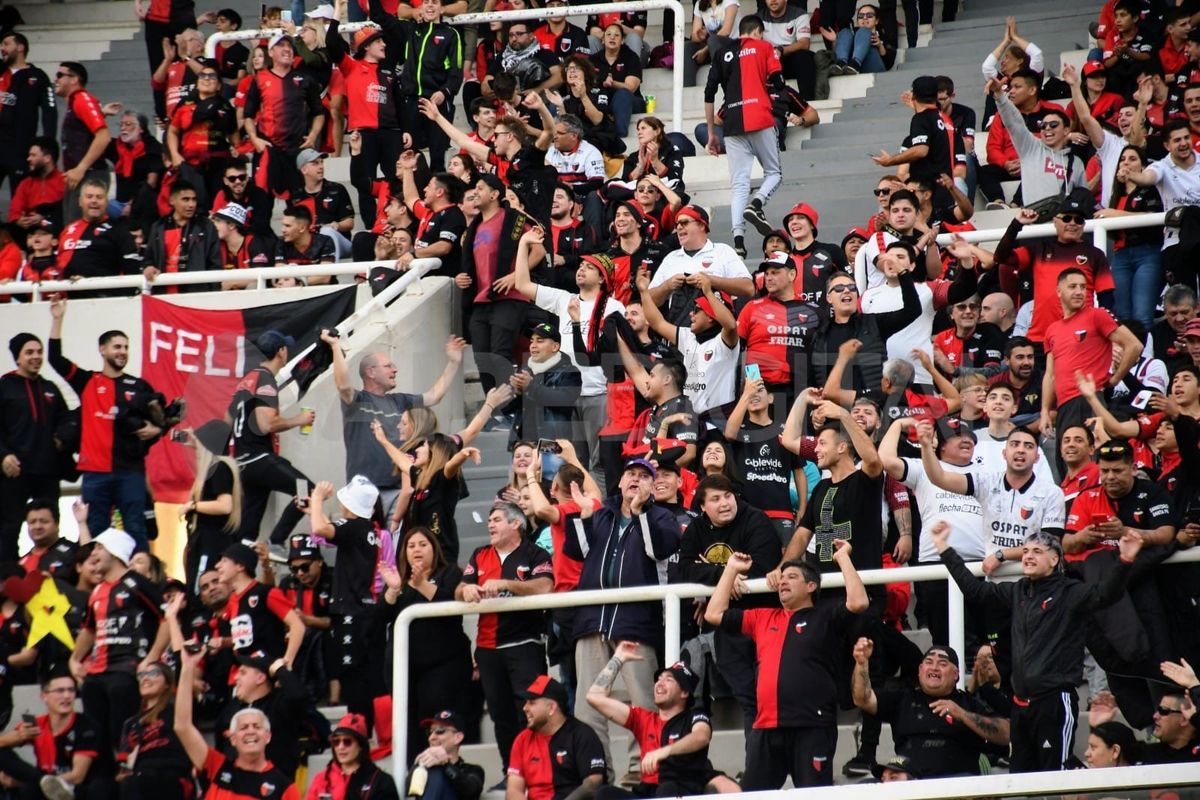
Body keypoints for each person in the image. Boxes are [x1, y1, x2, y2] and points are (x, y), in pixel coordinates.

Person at [929, 519, 1145, 772]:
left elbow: (1107, 593)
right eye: (1026, 551)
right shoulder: (1019, 591)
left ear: (1055, 560)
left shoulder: (1070, 592)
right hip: (1020, 706)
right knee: (1021, 782)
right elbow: (975, 590)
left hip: (1054, 703)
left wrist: (1125, 560)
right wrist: (944, 548)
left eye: (1037, 552)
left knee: (1054, 780)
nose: (1028, 556)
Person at [703, 542, 868, 788]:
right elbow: (713, 614)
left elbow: (858, 602)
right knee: (753, 795)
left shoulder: (825, 616)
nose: (782, 582)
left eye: (792, 577)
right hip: (766, 727)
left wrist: (842, 557)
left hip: (812, 724)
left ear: (811, 586)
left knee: (813, 795)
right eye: (781, 578)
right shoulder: (763, 616)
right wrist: (731, 569)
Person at [563, 458, 680, 781]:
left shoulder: (663, 517)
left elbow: (660, 549)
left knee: (642, 705)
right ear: (619, 481)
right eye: (630, 473)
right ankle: (596, 775)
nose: (636, 479)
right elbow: (576, 551)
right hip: (591, 622)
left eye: (645, 476)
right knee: (587, 708)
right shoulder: (601, 515)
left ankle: (638, 775)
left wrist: (641, 513)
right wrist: (584, 515)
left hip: (636, 623)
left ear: (653, 486)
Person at [48, 301, 167, 549]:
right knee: (96, 533)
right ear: (102, 350)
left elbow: (162, 421)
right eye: (117, 346)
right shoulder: (87, 381)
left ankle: (137, 583)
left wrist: (158, 430)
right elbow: (55, 359)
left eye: (126, 347)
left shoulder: (139, 386)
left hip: (131, 472)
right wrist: (57, 319)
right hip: (95, 472)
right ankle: (98, 586)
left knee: (136, 531)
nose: (122, 351)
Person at [670, 474, 782, 736]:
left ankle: (763, 766)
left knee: (764, 697)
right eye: (716, 499)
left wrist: (709, 570)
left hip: (763, 620)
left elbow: (762, 568)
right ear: (702, 507)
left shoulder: (755, 519)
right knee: (748, 698)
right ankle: (757, 766)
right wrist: (724, 574)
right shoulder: (697, 529)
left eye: (728, 496)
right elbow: (681, 571)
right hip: (727, 625)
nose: (725, 503)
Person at [456, 502, 553, 774]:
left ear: (516, 524)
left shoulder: (535, 553)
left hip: (525, 645)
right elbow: (460, 588)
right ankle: (509, 773)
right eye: (489, 520)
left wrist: (507, 584)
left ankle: (537, 772)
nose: (490, 525)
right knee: (501, 717)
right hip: (487, 649)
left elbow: (545, 587)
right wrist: (465, 592)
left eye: (497, 519)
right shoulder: (479, 554)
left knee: (530, 713)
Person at [325, 329, 464, 514]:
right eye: (388, 366)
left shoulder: (400, 401)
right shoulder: (357, 401)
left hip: (401, 489)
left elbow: (434, 396)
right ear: (371, 372)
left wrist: (453, 362)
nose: (395, 369)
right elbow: (343, 385)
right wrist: (335, 346)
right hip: (363, 493)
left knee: (396, 542)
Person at [586, 646, 736, 797]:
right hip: (647, 791)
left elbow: (701, 736)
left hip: (679, 790)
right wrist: (618, 658)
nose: (660, 683)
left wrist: (664, 752)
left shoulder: (695, 716)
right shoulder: (643, 719)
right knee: (605, 794)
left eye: (669, 679)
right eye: (659, 679)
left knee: (668, 789)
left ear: (684, 692)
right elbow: (594, 698)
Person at [69, 528, 169, 752]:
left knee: (122, 733)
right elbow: (89, 630)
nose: (93, 553)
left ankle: (127, 772)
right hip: (96, 673)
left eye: (99, 547)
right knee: (95, 736)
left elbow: (168, 619)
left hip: (127, 669)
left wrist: (151, 659)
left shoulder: (138, 583)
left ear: (114, 552)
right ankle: (101, 781)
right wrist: (74, 659)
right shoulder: (96, 591)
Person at [381, 529, 472, 763]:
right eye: (411, 546)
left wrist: (421, 584)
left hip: (443, 665)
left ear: (434, 548)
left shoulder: (450, 572)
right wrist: (391, 590)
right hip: (403, 669)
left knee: (437, 720)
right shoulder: (398, 580)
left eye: (423, 544)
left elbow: (450, 605)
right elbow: (375, 622)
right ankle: (413, 774)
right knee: (408, 725)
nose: (417, 549)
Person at [852, 641, 1009, 776]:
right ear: (920, 670)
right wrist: (861, 663)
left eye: (942, 663)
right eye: (929, 662)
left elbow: (1006, 733)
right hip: (912, 787)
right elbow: (862, 699)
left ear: (956, 674)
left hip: (957, 788)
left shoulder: (968, 703)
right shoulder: (902, 698)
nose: (934, 667)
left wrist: (962, 715)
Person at [704, 16, 785, 257]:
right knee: (774, 173)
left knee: (739, 184)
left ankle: (738, 242)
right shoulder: (764, 47)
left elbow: (709, 93)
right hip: (759, 116)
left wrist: (711, 133)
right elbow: (779, 83)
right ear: (758, 32)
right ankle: (757, 204)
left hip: (731, 124)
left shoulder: (721, 53)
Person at [226, 330, 316, 545]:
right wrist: (300, 419)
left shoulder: (247, 379)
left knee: (247, 533)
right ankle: (276, 542)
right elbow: (266, 424)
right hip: (259, 459)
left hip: (242, 464)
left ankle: (235, 562)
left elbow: (227, 419)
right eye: (285, 347)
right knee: (308, 490)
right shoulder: (265, 379)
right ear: (281, 352)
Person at [173, 648, 299, 800]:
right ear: (232, 738)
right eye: (243, 727)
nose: (250, 731)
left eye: (257, 726)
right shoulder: (216, 766)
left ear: (268, 736)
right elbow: (182, 726)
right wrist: (188, 666)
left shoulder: (285, 787)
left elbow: (298, 697)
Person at [307, 477, 382, 724]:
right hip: (363, 611)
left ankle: (358, 729)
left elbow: (320, 530)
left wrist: (317, 498)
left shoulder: (354, 527)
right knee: (363, 676)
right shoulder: (366, 530)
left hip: (351, 612)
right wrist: (314, 510)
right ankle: (363, 728)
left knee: (353, 679)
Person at [633, 269, 739, 425]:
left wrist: (708, 292)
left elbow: (730, 325)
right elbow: (657, 323)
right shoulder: (688, 337)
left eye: (697, 310)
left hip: (718, 423)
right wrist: (643, 291)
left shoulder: (725, 341)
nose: (691, 315)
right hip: (690, 421)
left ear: (711, 317)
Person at [0, 333, 68, 560]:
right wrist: (3, 456)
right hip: (14, 471)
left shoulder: (50, 388)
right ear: (17, 358)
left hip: (47, 470)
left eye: (39, 352)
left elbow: (67, 420)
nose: (36, 357)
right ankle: (8, 578)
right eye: (29, 352)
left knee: (49, 525)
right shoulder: (5, 386)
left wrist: (64, 437)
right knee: (9, 528)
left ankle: (53, 568)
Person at [0, 672, 109, 800]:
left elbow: (77, 776)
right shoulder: (37, 723)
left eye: (71, 690)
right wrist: (18, 736)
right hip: (44, 781)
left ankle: (40, 779)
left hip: (74, 789)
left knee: (29, 788)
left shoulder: (87, 726)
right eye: (60, 691)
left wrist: (23, 782)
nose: (67, 696)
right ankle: (41, 779)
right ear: (44, 696)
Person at [242, 34, 324, 199]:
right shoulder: (259, 79)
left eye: (289, 45)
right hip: (268, 149)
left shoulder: (304, 79)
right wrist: (254, 139)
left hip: (297, 149)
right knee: (261, 203)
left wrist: (313, 135)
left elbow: (319, 112)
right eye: (281, 45)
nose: (287, 49)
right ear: (270, 53)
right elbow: (248, 115)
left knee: (301, 203)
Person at [1126, 118, 1200, 296]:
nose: (1183, 144)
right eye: (1177, 140)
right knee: (1186, 301)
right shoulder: (1162, 166)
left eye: (1186, 138)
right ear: (1167, 146)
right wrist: (1132, 175)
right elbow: (1148, 178)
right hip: (1176, 243)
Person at [645, 206, 753, 327]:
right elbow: (648, 301)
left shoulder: (722, 251)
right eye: (677, 224)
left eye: (684, 222)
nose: (679, 227)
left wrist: (710, 280)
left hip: (717, 333)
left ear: (702, 225)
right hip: (679, 334)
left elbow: (748, 288)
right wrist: (668, 285)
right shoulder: (671, 258)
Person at [507, 676, 606, 800]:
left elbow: (593, 783)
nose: (525, 708)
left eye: (532, 702)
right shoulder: (522, 740)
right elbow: (513, 789)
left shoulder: (582, 735)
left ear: (552, 708)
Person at [214, 541, 305, 668]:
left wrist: (286, 664)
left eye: (224, 561)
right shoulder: (233, 600)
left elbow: (297, 626)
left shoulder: (266, 593)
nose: (217, 566)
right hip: (245, 673)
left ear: (240, 566)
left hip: (267, 673)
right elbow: (246, 638)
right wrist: (224, 642)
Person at [117, 660, 192, 800]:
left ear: (167, 683)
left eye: (153, 673)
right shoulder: (130, 723)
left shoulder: (176, 711)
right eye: (141, 675)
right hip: (139, 778)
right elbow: (123, 769)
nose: (145, 678)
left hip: (171, 778)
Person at [180, 420, 240, 592]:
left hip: (210, 540)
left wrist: (193, 506)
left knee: (202, 588)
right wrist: (194, 440)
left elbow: (224, 506)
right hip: (202, 539)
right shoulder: (211, 469)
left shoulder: (219, 467)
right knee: (194, 586)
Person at [55, 177, 141, 285]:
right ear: (80, 201)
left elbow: (132, 270)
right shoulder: (68, 231)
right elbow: (58, 266)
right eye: (89, 196)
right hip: (70, 296)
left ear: (106, 202)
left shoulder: (119, 230)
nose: (94, 201)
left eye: (99, 197)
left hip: (106, 296)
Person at [0, 33, 56, 194]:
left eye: (6, 44)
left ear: (20, 47)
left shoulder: (38, 76)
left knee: (20, 197)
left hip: (21, 148)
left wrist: (48, 144)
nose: (2, 48)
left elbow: (49, 111)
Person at [145, 179, 221, 288]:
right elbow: (149, 258)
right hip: (165, 294)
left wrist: (213, 291)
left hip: (197, 293)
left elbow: (215, 263)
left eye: (194, 200)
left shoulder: (206, 226)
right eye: (185, 199)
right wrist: (148, 266)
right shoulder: (159, 227)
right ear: (172, 200)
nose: (191, 204)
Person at [305, 713, 399, 800]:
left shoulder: (381, 782)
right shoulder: (321, 778)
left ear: (361, 746)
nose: (340, 747)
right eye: (336, 742)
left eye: (347, 741)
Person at [53, 62, 111, 201]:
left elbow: (104, 137)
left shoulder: (81, 99)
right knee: (72, 223)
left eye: (60, 75)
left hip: (88, 176)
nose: (56, 79)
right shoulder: (76, 102)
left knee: (81, 222)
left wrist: (81, 168)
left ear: (74, 79)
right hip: (80, 175)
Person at [409, 710, 485, 800]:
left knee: (436, 772)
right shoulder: (424, 768)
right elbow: (406, 789)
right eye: (430, 732)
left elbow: (471, 791)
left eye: (439, 731)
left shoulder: (473, 770)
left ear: (458, 737)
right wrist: (417, 766)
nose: (431, 738)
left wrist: (445, 764)